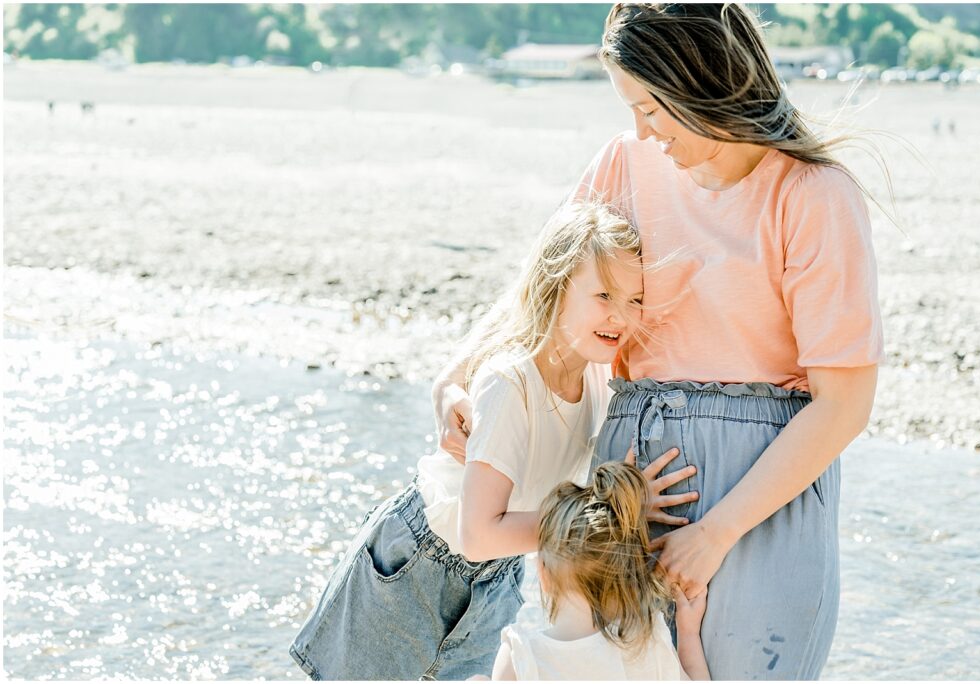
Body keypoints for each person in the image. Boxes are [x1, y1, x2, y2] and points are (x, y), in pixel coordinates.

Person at [434, 4, 883, 679]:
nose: (642, 131)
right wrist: (455, 380)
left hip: (763, 492)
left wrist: (717, 531)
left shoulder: (814, 195)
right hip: (628, 484)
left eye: (650, 107)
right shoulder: (626, 160)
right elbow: (548, 289)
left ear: (699, 80)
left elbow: (843, 403)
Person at [289, 202, 695, 680]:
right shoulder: (510, 383)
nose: (621, 316)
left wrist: (620, 507)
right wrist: (613, 506)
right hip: (416, 564)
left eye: (634, 299)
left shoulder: (601, 380)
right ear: (557, 287)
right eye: (604, 294)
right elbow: (478, 534)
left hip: (498, 574)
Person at [483, 460, 711, 681]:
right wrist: (688, 634)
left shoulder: (521, 657)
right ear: (627, 574)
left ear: (543, 574)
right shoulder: (649, 645)